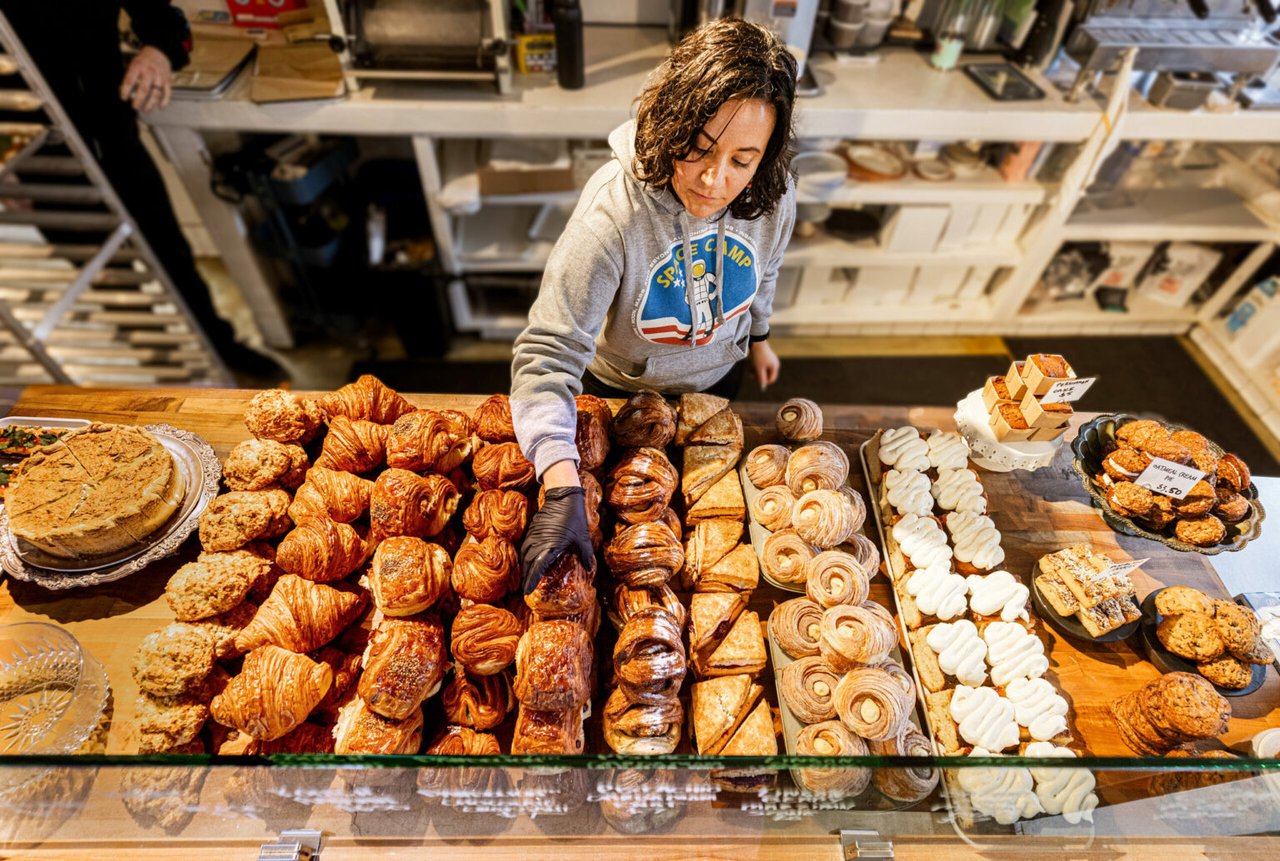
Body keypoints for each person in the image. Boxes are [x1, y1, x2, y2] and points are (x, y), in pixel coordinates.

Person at [512, 18, 797, 591]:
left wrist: (759, 337)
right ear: (672, 123)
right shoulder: (610, 216)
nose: (716, 181)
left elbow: (763, 272)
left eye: (742, 160)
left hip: (717, 381)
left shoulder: (772, 192)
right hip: (622, 393)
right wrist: (562, 480)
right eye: (699, 149)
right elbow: (547, 355)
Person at [4, 1, 285, 380]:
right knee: (111, 279)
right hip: (44, 166)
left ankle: (222, 347)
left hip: (118, 142)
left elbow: (162, 17)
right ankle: (167, 365)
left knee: (173, 254)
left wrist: (158, 51)